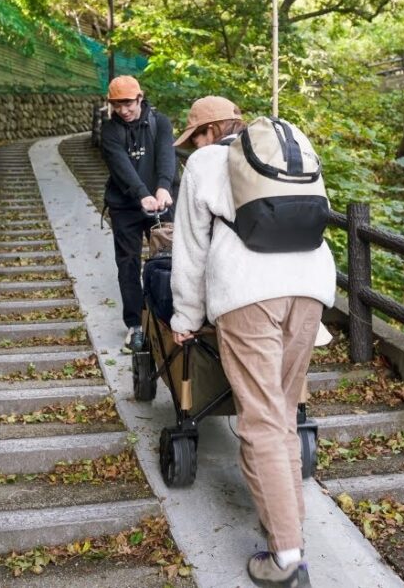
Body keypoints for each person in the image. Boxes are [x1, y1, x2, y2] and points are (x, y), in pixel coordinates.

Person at [168, 96, 335, 588]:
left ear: (209, 131)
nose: (193, 145)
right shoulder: (286, 152)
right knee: (281, 413)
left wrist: (185, 316)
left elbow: (191, 248)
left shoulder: (204, 162)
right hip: (311, 288)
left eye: (195, 136)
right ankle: (287, 530)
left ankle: (286, 559)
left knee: (261, 421)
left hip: (248, 293)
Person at [100, 75, 177, 353]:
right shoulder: (109, 130)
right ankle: (135, 324)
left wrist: (163, 187)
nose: (123, 110)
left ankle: (171, 316)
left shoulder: (160, 122)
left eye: (128, 104)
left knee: (170, 259)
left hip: (161, 202)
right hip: (125, 206)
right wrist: (142, 193)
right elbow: (120, 165)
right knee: (128, 264)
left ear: (140, 98)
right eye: (117, 105)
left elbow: (167, 156)